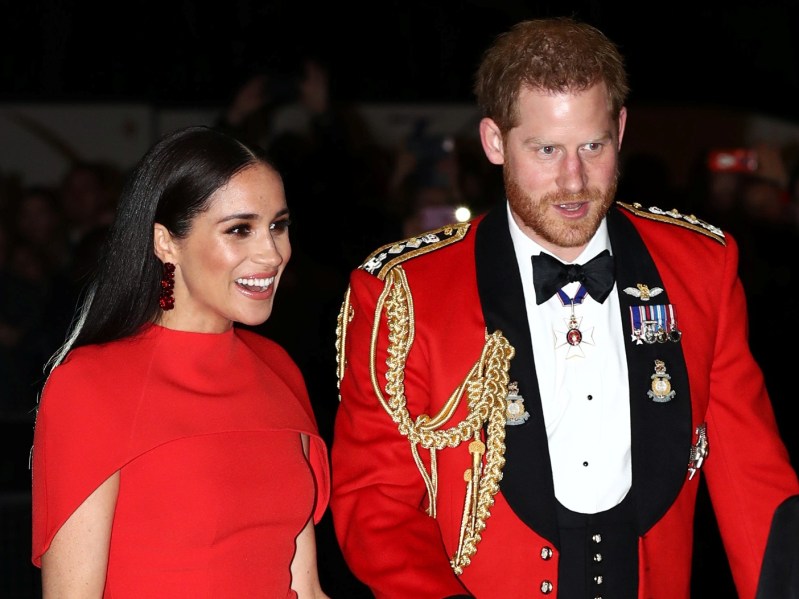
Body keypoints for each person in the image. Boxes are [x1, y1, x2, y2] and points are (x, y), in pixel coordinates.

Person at [329, 17, 799, 599]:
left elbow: (754, 482)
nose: (573, 180)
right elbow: (375, 505)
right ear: (495, 142)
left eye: (592, 146)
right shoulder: (403, 292)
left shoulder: (701, 265)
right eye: (547, 149)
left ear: (621, 130)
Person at [30, 125, 330, 598]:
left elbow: (306, 588)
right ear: (166, 242)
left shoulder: (277, 368)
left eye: (278, 225)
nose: (271, 253)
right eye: (239, 229)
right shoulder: (90, 384)